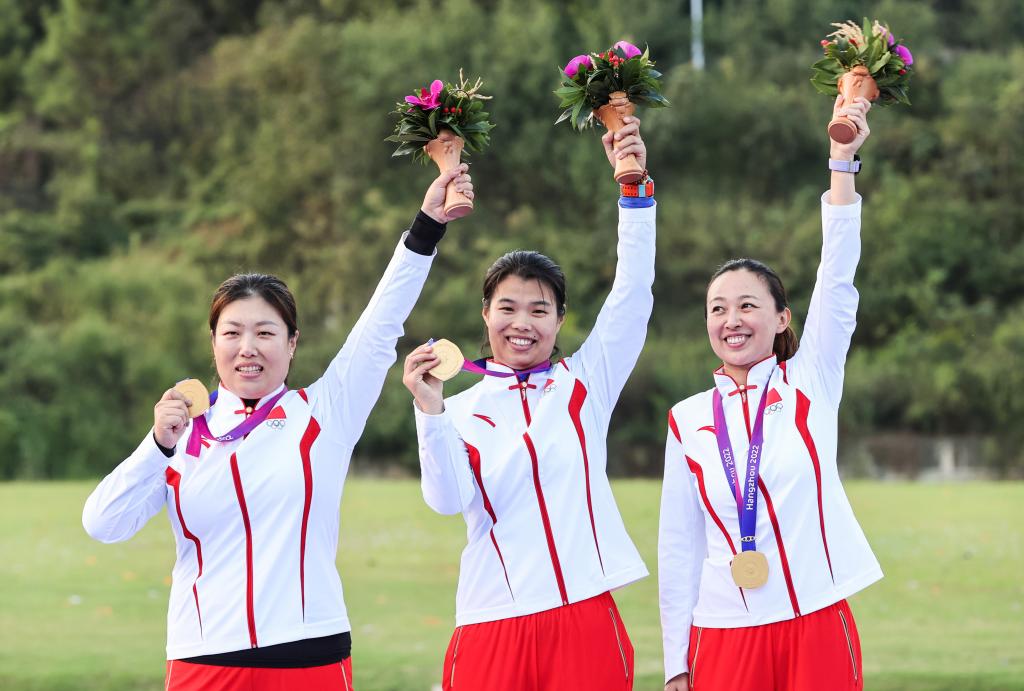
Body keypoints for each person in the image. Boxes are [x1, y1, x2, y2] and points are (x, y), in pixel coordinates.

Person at [82, 166, 474, 691]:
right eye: (232, 333)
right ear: (214, 343)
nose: (248, 348)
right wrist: (157, 447)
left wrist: (427, 226)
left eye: (265, 332)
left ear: (291, 343)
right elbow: (103, 523)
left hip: (310, 657)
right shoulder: (180, 434)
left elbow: (381, 324)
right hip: (204, 661)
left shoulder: (325, 412)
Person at [401, 117, 654, 690]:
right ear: (485, 315)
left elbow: (633, 293)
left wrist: (634, 190)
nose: (522, 323)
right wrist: (430, 412)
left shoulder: (584, 383)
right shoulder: (458, 409)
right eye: (508, 308)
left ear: (560, 320)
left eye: (539, 311)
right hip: (492, 621)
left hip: (585, 616)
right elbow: (445, 501)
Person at [658, 94, 882, 691]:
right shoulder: (686, 419)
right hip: (723, 634)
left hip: (814, 619)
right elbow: (678, 546)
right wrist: (676, 662)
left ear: (782, 318)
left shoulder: (810, 381)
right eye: (717, 309)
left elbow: (837, 276)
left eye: (747, 306)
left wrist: (841, 163)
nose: (731, 320)